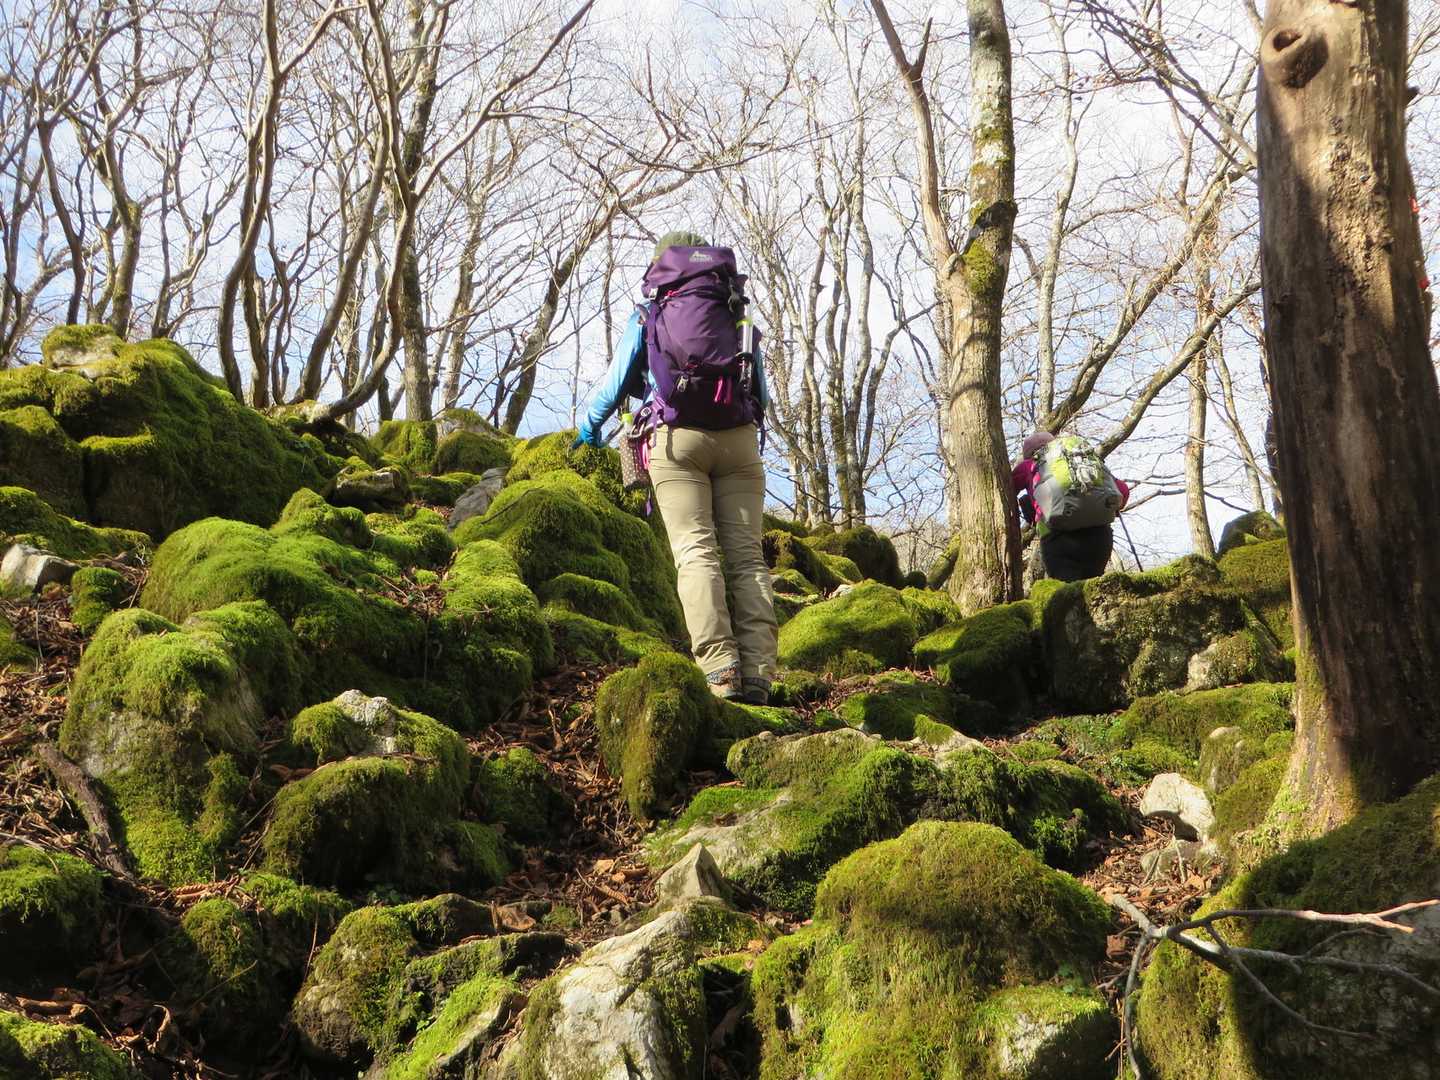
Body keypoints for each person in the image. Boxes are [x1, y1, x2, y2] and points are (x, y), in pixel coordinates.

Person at [576, 230, 777, 704]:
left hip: (676, 438)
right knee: (748, 558)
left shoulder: (651, 312)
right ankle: (760, 675)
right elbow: (762, 393)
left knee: (696, 551)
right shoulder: (734, 311)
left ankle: (720, 670)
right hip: (739, 441)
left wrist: (587, 431)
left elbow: (613, 387)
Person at [1012, 430, 1130, 582]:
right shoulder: (1083, 460)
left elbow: (1007, 486)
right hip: (1099, 537)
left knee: (1067, 590)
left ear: (1028, 453)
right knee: (1093, 587)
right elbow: (1123, 491)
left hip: (1057, 538)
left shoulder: (1029, 465)